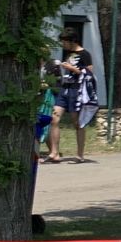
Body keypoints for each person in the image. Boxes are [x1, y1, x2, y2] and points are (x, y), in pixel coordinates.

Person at [46, 29, 96, 163]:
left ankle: (80, 155)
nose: (63, 44)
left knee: (77, 123)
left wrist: (73, 69)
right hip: (65, 88)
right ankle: (54, 153)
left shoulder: (85, 54)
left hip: (77, 90)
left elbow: (89, 73)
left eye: (65, 42)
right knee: (54, 119)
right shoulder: (68, 53)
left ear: (72, 41)